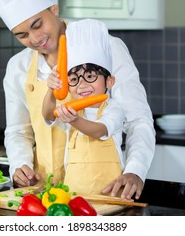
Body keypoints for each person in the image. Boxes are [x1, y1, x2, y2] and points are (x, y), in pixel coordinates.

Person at [0, 0, 155, 199]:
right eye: (22, 35)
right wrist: (19, 166)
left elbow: (137, 119)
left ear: (54, 10)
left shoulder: (107, 48)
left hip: (100, 192)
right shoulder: (18, 67)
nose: (35, 39)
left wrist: (136, 171)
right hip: (45, 195)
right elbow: (18, 131)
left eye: (37, 24)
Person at [42, 19, 125, 195]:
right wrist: (51, 90)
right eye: (74, 79)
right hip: (74, 197)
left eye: (90, 76)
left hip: (111, 198)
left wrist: (75, 121)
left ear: (109, 81)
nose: (82, 84)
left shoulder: (114, 108)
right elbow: (48, 114)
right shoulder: (72, 109)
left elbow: (99, 131)